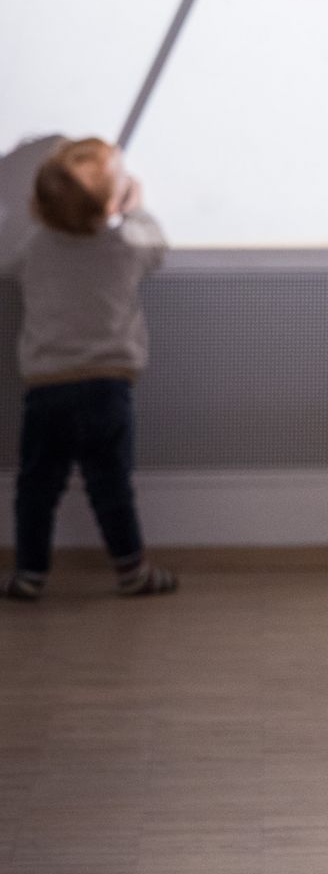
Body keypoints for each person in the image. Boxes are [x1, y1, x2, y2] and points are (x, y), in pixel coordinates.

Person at [2, 137, 177, 601]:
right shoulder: (126, 244)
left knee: (37, 488)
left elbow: (10, 267)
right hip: (106, 388)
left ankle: (30, 573)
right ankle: (132, 571)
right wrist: (136, 209)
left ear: (37, 206)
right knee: (111, 486)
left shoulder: (35, 249)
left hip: (48, 389)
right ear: (116, 200)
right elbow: (158, 247)